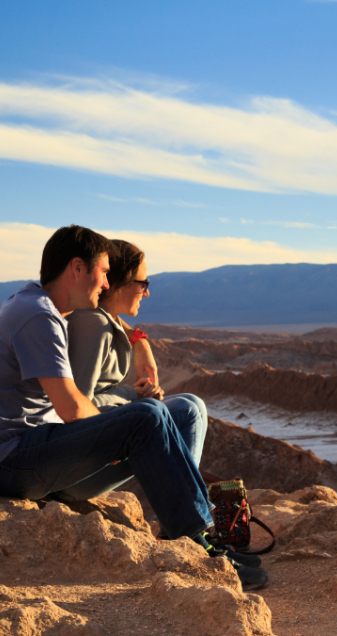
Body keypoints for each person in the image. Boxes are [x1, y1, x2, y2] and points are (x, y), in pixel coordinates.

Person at [0, 225, 267, 589]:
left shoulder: (36, 306)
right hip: (14, 460)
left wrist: (138, 339)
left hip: (32, 451)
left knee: (173, 411)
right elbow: (71, 408)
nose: (106, 284)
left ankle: (195, 532)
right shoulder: (38, 316)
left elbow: (101, 326)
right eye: (103, 272)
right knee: (147, 416)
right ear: (77, 268)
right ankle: (198, 545)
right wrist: (112, 433)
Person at [64, 239, 209, 489]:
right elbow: (76, 410)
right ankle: (191, 507)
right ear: (119, 283)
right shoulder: (94, 325)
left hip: (82, 457)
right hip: (73, 473)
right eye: (143, 284)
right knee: (187, 410)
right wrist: (133, 395)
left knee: (192, 403)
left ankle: (189, 503)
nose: (147, 292)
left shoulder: (103, 320)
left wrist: (139, 340)